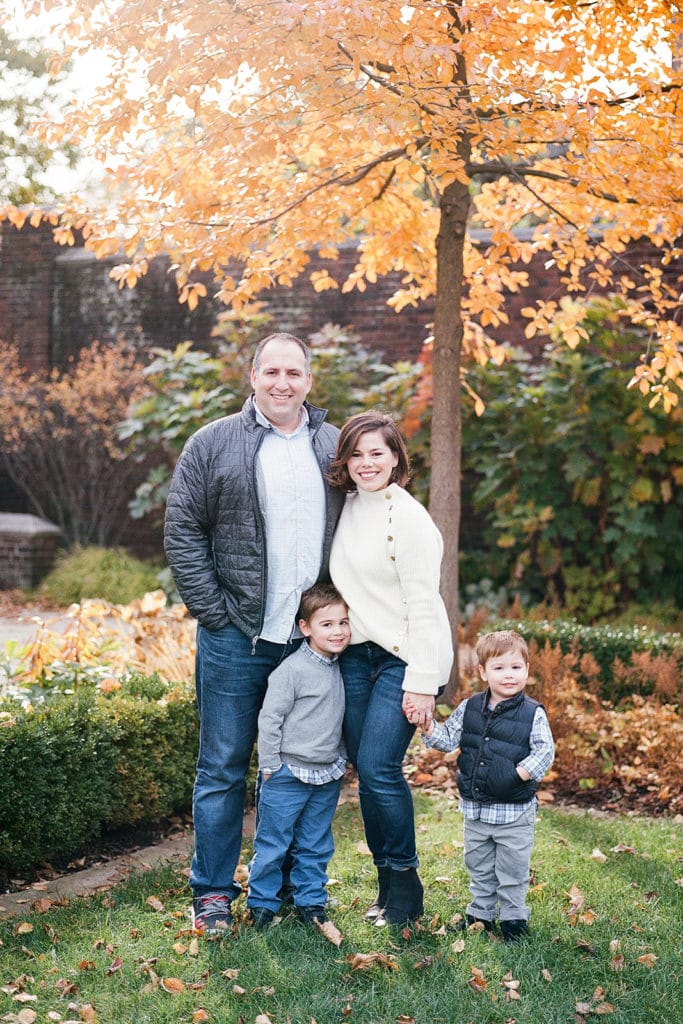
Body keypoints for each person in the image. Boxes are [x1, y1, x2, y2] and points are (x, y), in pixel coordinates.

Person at [164, 332, 344, 935]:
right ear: (253, 376)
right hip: (235, 637)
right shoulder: (213, 443)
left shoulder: (333, 445)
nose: (282, 383)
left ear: (309, 381)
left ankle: (290, 887)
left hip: (309, 648)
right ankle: (213, 893)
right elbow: (182, 528)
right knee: (222, 766)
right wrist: (213, 611)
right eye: (272, 371)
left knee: (301, 766)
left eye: (294, 372)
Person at [327, 412, 453, 927]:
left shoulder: (410, 520)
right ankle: (386, 887)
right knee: (367, 771)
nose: (366, 463)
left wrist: (424, 684)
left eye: (377, 452)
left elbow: (426, 604)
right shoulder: (348, 507)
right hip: (356, 657)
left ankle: (406, 886)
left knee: (379, 766)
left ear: (396, 457)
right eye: (356, 454)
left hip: (404, 659)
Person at [407, 629, 555, 942]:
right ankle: (481, 913)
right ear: (483, 672)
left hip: (513, 812)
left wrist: (518, 775)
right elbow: (448, 740)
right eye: (499, 668)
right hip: (475, 810)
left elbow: (545, 751)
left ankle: (514, 918)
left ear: (527, 670)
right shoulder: (470, 707)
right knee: (479, 864)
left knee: (512, 868)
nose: (509, 675)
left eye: (516, 667)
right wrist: (428, 725)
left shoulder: (532, 713)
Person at [247, 583, 350, 930]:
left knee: (315, 843)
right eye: (327, 624)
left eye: (343, 622)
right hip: (287, 771)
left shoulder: (341, 666)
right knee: (273, 842)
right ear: (305, 628)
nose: (337, 631)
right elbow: (270, 718)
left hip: (326, 773)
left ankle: (311, 900)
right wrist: (270, 765)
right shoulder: (291, 670)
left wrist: (341, 759)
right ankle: (262, 903)